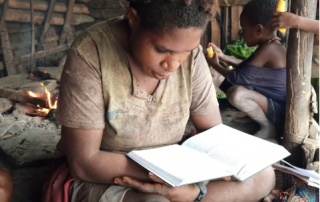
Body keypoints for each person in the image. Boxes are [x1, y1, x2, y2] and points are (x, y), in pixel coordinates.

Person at [55, 0, 276, 201]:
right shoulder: (91, 52)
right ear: (133, 19)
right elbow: (84, 163)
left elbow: (213, 136)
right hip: (110, 176)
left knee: (264, 176)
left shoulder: (194, 57)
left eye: (186, 52)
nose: (174, 65)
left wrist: (197, 187)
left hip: (177, 174)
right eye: (162, 50)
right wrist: (170, 177)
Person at [206, 0, 287, 139]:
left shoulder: (270, 49)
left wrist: (215, 65)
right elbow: (246, 66)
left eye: (243, 29)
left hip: (278, 109)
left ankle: (268, 126)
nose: (242, 33)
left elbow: (239, 77)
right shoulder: (270, 44)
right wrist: (223, 57)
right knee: (221, 78)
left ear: (258, 30)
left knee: (237, 93)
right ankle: (256, 117)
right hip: (269, 100)